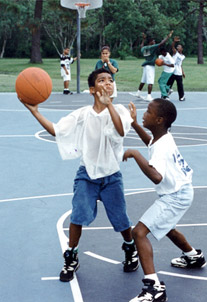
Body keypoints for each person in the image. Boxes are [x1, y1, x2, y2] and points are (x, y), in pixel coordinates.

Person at [21, 68, 139, 282]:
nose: (108, 83)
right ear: (92, 89)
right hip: (87, 175)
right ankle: (71, 255)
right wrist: (35, 111)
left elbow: (120, 131)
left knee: (121, 220)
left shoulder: (120, 109)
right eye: (102, 81)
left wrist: (109, 104)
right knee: (77, 216)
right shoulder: (83, 114)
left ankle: (130, 247)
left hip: (112, 176)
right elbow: (57, 131)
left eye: (111, 80)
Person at [123, 99, 206, 302]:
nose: (144, 113)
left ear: (159, 119)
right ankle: (193, 256)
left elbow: (156, 177)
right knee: (166, 226)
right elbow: (151, 144)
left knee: (139, 232)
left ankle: (154, 288)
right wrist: (134, 124)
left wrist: (135, 154)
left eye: (148, 112)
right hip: (182, 191)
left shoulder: (162, 146)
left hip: (175, 195)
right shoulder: (163, 138)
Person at [135, 31, 173, 101]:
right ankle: (149, 96)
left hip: (145, 66)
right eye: (153, 41)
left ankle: (138, 93)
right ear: (151, 42)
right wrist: (168, 37)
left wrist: (143, 39)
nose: (154, 42)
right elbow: (161, 43)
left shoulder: (144, 48)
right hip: (150, 66)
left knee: (143, 80)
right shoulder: (152, 47)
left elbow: (141, 46)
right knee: (150, 82)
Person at [167, 36, 186, 101]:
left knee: (180, 86)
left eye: (179, 46)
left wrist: (183, 72)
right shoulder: (175, 53)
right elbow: (172, 47)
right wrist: (174, 42)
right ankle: (165, 95)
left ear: (182, 49)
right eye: (177, 46)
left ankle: (181, 97)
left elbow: (180, 65)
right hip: (172, 71)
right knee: (168, 84)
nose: (177, 47)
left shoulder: (183, 56)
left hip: (179, 73)